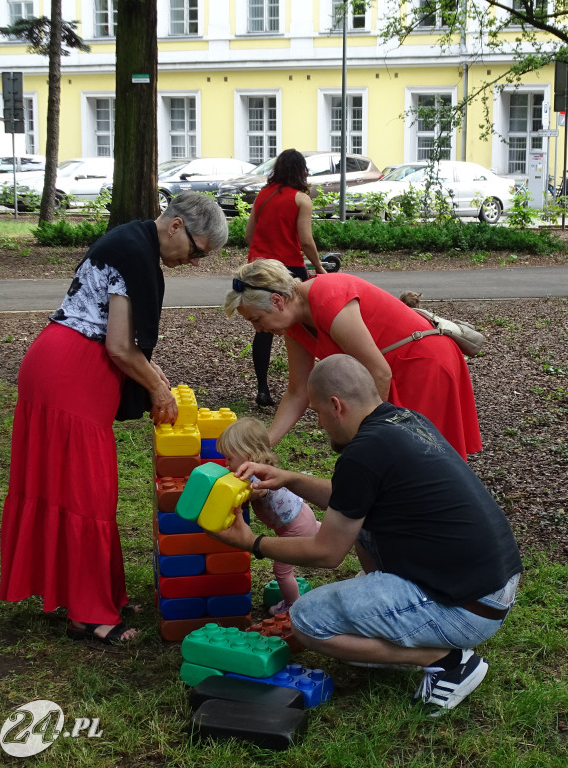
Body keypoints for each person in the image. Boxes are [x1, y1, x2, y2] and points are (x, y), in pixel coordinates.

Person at [212, 354, 521, 714]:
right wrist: (291, 478)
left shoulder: (362, 454)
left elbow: (328, 553)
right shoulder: (403, 420)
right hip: (492, 587)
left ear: (336, 405)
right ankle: (399, 622)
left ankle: (448, 660)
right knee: (361, 523)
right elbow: (350, 500)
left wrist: (252, 543)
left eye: (316, 413)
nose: (319, 424)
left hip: (466, 608)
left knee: (306, 622)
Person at [0, 192, 229, 645]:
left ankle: (103, 593)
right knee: (86, 492)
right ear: (177, 227)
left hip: (65, 367)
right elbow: (121, 347)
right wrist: (158, 387)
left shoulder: (134, 244)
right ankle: (87, 613)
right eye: (199, 251)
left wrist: (155, 374)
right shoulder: (134, 253)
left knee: (84, 492)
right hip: (69, 374)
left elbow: (125, 342)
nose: (196, 262)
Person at [223, 260, 482, 459]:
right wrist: (266, 443)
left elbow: (378, 373)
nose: (258, 329)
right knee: (397, 458)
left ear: (278, 301)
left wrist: (366, 440)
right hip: (392, 367)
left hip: (422, 362)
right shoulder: (293, 324)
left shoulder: (326, 296)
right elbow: (297, 391)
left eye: (256, 320)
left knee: (422, 457)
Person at [243, 148, 326, 407]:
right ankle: (309, 389)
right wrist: (320, 268)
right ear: (301, 171)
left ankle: (262, 389)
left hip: (257, 268)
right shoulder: (301, 199)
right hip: (288, 268)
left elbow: (248, 236)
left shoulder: (263, 195)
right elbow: (305, 240)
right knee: (305, 327)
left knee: (263, 328)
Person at [215, 417, 321, 615]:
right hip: (302, 514)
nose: (226, 463)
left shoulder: (257, 477)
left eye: (229, 458)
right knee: (319, 532)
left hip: (293, 528)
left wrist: (234, 497)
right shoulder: (259, 468)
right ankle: (349, 536)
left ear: (248, 455)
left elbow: (258, 491)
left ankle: (292, 605)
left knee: (282, 572)